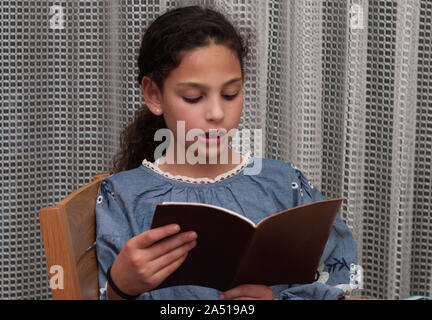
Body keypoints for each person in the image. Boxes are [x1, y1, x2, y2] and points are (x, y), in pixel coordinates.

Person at [95, 5, 358, 300]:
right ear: (155, 95)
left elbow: (342, 274)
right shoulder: (123, 196)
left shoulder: (285, 183)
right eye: (193, 97)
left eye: (231, 93)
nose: (217, 113)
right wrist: (121, 288)